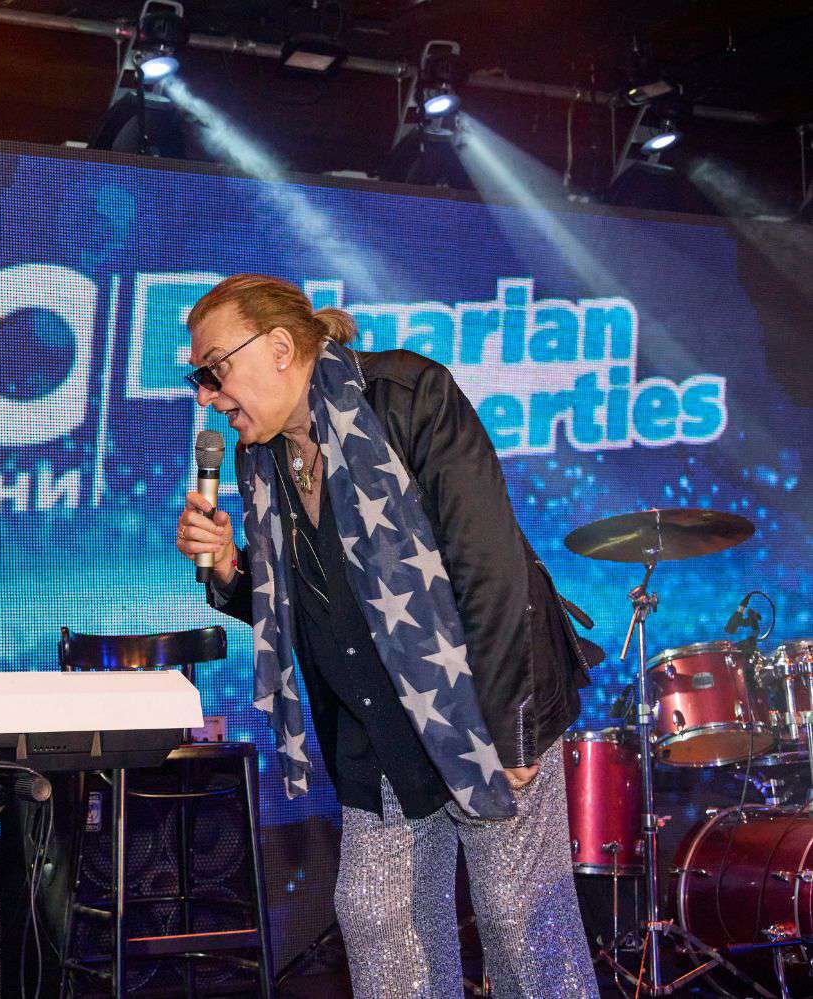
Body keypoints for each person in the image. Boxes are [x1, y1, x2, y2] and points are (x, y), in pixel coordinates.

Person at [174, 274, 596, 998]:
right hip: (376, 723)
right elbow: (299, 605)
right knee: (375, 915)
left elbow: (491, 569)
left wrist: (511, 735)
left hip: (478, 702)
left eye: (214, 370)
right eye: (199, 379)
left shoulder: (405, 397)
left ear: (280, 348)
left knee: (520, 922)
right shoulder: (260, 456)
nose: (207, 397)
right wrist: (227, 568)